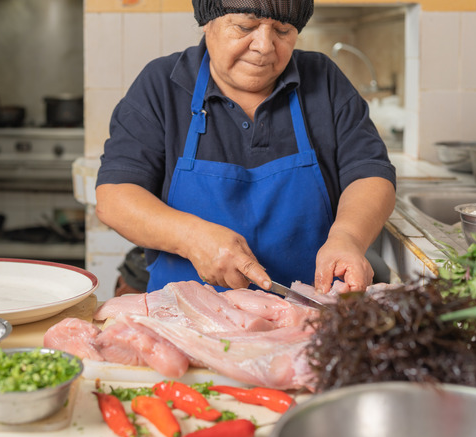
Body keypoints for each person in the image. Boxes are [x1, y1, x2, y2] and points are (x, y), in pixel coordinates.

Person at [95, 0, 396, 295]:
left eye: (282, 31)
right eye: (245, 26)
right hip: (184, 320)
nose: (264, 45)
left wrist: (348, 237)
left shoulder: (325, 80)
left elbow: (369, 174)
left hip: (310, 315)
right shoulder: (161, 84)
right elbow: (115, 196)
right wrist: (191, 237)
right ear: (207, 21)